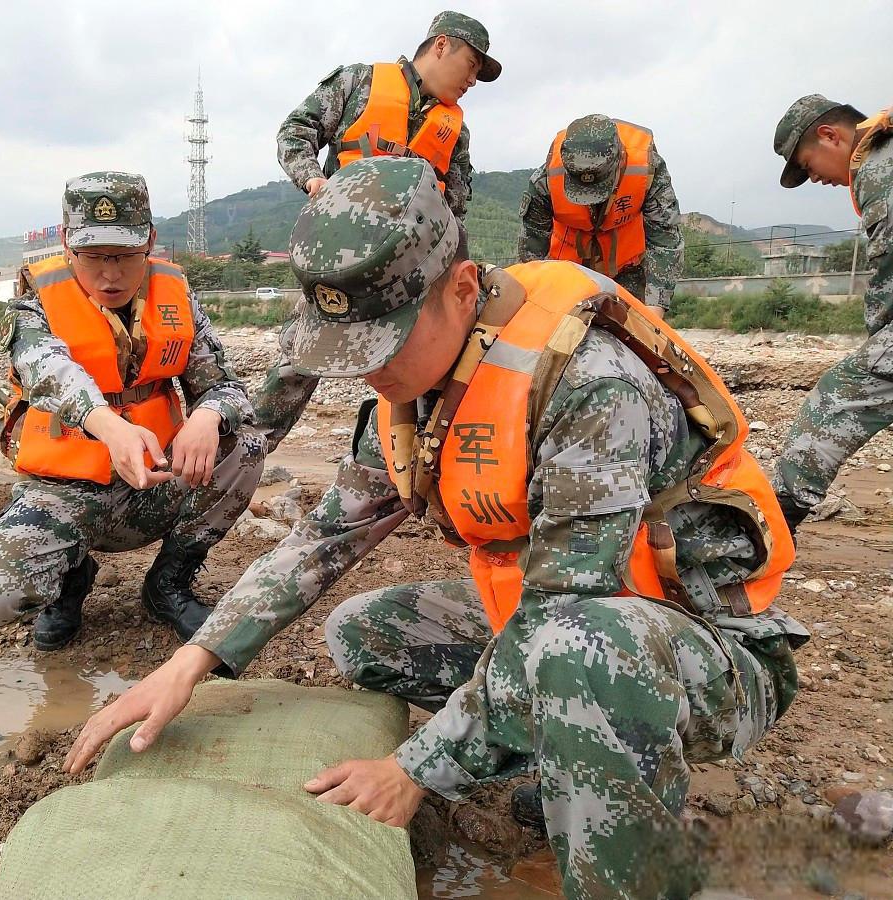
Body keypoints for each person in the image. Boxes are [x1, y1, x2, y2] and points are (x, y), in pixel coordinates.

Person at [63, 158, 806, 899]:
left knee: (580, 655)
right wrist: (191, 663)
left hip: (695, 652)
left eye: (380, 346)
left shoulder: (589, 384)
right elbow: (318, 544)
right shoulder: (415, 394)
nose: (366, 372)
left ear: (460, 289)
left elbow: (566, 614)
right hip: (553, 630)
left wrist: (416, 768)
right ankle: (554, 755)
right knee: (363, 633)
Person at [0, 172, 264, 651]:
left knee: (243, 442)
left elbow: (225, 385)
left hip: (155, 482)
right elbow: (52, 372)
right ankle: (70, 581)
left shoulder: (176, 296)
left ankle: (168, 584)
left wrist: (206, 417)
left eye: (124, 257)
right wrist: (110, 428)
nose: (110, 275)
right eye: (94, 258)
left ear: (151, 242)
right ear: (66, 244)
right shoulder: (33, 304)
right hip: (65, 493)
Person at [257, 10, 501, 451]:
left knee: (434, 354)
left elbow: (456, 206)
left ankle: (424, 457)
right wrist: (313, 179)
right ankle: (249, 447)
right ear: (441, 45)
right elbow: (296, 130)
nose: (472, 81)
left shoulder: (455, 131)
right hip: (344, 256)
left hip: (414, 271)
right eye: (472, 65)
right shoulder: (357, 83)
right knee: (303, 355)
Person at [770, 94, 893, 532]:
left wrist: (878, 345)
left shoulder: (880, 171)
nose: (814, 178)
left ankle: (774, 522)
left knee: (838, 397)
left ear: (829, 136)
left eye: (807, 165)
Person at [518, 113, 684, 317]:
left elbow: (664, 242)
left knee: (636, 334)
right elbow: (532, 256)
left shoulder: (649, 170)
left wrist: (653, 313)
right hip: (566, 273)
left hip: (628, 269)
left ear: (620, 160)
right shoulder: (545, 181)